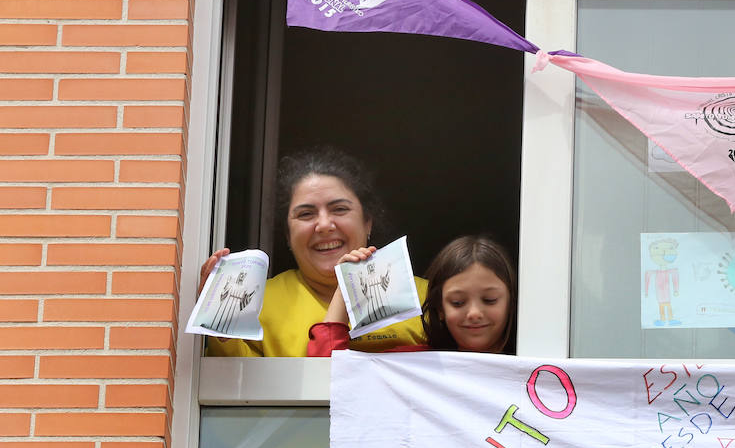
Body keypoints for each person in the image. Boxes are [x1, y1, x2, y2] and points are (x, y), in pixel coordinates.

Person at [201, 147, 427, 357]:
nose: (324, 225)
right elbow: (234, 388)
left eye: (339, 209)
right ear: (288, 235)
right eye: (306, 214)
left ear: (368, 222)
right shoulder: (253, 303)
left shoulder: (425, 296)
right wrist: (218, 322)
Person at [307, 234, 517, 356]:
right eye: (458, 302)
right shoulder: (416, 366)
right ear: (440, 309)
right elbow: (327, 373)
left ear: (512, 303)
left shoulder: (539, 369)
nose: (474, 313)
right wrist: (346, 285)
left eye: (489, 300)